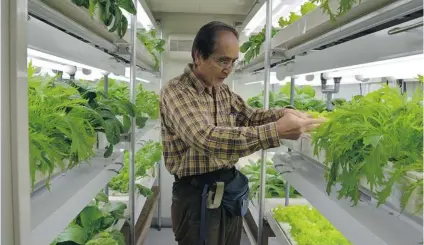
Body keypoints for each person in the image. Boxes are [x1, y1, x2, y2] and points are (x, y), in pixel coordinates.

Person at [160, 21, 324, 245]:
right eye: (223, 60)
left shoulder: (223, 91)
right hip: (196, 196)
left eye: (233, 62)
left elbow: (250, 116)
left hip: (227, 191)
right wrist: (276, 131)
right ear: (198, 56)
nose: (228, 69)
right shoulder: (177, 91)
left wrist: (288, 114)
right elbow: (205, 138)